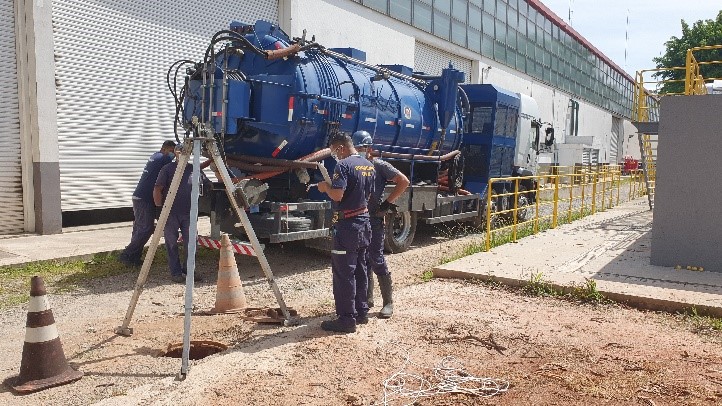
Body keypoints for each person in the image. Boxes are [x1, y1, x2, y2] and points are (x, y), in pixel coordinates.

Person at [316, 132, 375, 333]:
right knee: (361, 268)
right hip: (364, 222)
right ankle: (362, 312)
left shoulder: (343, 165)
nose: (335, 155)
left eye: (334, 151)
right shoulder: (368, 165)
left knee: (343, 273)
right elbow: (369, 194)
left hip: (347, 225)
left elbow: (338, 195)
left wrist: (325, 188)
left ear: (340, 148)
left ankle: (346, 319)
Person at [352, 131, 409, 319]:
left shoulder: (379, 166)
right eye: (357, 148)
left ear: (370, 149)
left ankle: (388, 302)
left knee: (376, 258)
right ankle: (366, 299)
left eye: (363, 148)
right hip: (359, 218)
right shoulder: (353, 167)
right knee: (362, 260)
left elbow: (403, 181)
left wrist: (386, 203)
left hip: (375, 219)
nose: (360, 151)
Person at [153, 144, 212, 283]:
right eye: (179, 153)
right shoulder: (167, 169)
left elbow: (207, 184)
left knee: (192, 242)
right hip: (170, 213)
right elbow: (157, 188)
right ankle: (175, 272)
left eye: (185, 153)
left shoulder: (193, 169)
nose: (182, 156)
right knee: (171, 243)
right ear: (176, 154)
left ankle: (189, 270)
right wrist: (159, 209)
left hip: (189, 213)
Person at [119, 140, 176, 267]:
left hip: (139, 196)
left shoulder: (155, 156)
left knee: (139, 228)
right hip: (145, 198)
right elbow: (177, 168)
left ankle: (133, 257)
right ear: (165, 149)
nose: (173, 155)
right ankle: (127, 254)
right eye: (172, 152)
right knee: (146, 228)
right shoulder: (162, 158)